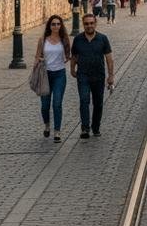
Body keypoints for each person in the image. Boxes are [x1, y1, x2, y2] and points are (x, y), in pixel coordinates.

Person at [71, 13, 114, 139]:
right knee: (84, 100)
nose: (89, 26)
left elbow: (109, 59)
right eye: (86, 24)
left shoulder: (103, 39)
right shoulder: (78, 39)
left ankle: (95, 127)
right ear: (83, 25)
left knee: (98, 103)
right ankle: (85, 128)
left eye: (91, 23)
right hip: (83, 75)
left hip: (98, 76)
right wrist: (72, 68)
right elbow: (74, 56)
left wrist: (111, 76)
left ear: (95, 24)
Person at [35, 15, 70, 143]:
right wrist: (39, 62)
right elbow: (37, 56)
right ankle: (47, 125)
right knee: (45, 105)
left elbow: (68, 55)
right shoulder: (43, 40)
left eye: (58, 24)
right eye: (53, 24)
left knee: (57, 103)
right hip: (45, 75)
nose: (56, 26)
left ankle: (57, 132)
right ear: (49, 26)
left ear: (61, 26)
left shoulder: (64, 40)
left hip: (59, 74)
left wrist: (68, 59)